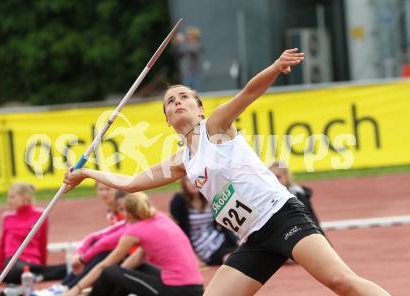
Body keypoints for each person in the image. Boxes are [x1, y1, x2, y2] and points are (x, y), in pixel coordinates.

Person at [64, 48, 391, 295]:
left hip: (280, 217)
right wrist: (89, 173)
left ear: (199, 108)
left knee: (342, 282)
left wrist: (276, 68)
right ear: (166, 120)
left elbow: (249, 93)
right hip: (253, 239)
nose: (177, 102)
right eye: (169, 101)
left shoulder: (215, 128)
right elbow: (132, 183)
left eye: (183, 97)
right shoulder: (182, 160)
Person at [64, 192, 204, 296]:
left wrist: (77, 288)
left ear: (129, 213)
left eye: (122, 209)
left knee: (110, 271)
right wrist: (119, 277)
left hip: (177, 291)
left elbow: (105, 266)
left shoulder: (135, 231)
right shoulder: (160, 218)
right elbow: (137, 258)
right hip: (195, 288)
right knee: (128, 270)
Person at [0, 182, 65, 287]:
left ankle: (37, 274)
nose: (8, 201)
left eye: (12, 197)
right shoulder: (7, 217)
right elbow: (2, 247)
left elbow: (43, 244)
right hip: (12, 263)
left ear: (24, 197)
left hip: (32, 264)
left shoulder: (41, 215)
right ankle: (36, 275)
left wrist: (42, 267)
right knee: (14, 268)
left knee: (66, 268)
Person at [170, 177, 237, 265]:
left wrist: (235, 240)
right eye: (188, 181)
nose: (193, 183)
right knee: (232, 259)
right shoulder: (179, 201)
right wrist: (192, 256)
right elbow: (179, 231)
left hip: (219, 239)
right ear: (184, 183)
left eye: (195, 180)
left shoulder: (208, 197)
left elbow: (223, 224)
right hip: (204, 248)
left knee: (244, 250)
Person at [269, 161, 322, 226]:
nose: (275, 180)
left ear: (286, 177)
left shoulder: (297, 195)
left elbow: (310, 218)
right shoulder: (268, 195)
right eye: (272, 177)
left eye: (278, 176)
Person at [173, 26, 204, 90]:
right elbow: (177, 52)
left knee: (196, 91)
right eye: (187, 34)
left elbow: (193, 51)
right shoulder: (185, 44)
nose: (187, 36)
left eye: (189, 34)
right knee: (187, 91)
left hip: (195, 72)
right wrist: (176, 44)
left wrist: (182, 42)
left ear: (194, 35)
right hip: (186, 72)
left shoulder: (198, 44)